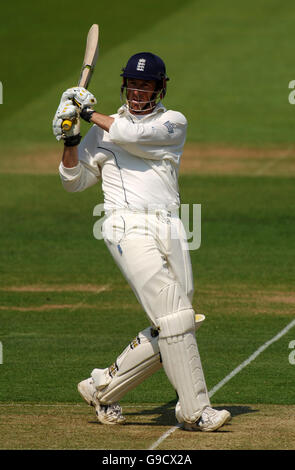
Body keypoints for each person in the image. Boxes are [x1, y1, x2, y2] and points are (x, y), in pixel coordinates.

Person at [52, 52, 231, 431]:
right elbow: (73, 181)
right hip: (124, 225)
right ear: (124, 85)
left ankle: (103, 387)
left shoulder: (171, 123)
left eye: (146, 85)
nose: (137, 92)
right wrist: (70, 139)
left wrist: (85, 115)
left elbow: (130, 134)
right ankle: (196, 411)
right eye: (133, 84)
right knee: (174, 316)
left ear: (161, 87)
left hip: (169, 226)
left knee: (181, 322)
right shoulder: (102, 131)